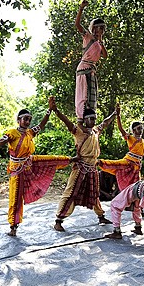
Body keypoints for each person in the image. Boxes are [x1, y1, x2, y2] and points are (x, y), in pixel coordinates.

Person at [0, 108, 71, 236]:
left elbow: (41, 125)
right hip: (17, 169)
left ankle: (70, 160)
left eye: (29, 119)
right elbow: (0, 143)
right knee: (16, 198)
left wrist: (49, 111)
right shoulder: (12, 133)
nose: (28, 122)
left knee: (49, 160)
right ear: (19, 120)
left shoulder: (29, 133)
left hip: (29, 164)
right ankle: (13, 226)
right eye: (25, 119)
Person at [49, 96, 119, 232]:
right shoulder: (78, 131)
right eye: (91, 119)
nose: (93, 121)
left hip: (92, 168)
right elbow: (67, 121)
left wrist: (115, 114)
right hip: (80, 168)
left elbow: (105, 122)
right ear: (85, 119)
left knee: (94, 193)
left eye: (94, 119)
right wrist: (56, 111)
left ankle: (101, 216)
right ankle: (58, 220)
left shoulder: (95, 131)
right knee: (71, 193)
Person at [98, 103, 144, 191]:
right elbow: (121, 129)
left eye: (141, 128)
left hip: (136, 167)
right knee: (114, 164)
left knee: (136, 187)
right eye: (138, 128)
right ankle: (98, 162)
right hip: (128, 162)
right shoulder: (131, 138)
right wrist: (118, 116)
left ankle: (133, 203)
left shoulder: (143, 141)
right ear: (133, 130)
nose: (140, 130)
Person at [75, 0, 108, 125]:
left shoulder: (99, 43)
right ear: (94, 28)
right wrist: (81, 8)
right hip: (84, 68)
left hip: (92, 70)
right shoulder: (88, 36)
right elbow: (78, 25)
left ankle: (90, 122)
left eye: (103, 28)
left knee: (92, 97)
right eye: (100, 27)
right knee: (83, 95)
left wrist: (102, 43)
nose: (101, 30)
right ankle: (79, 122)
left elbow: (105, 56)